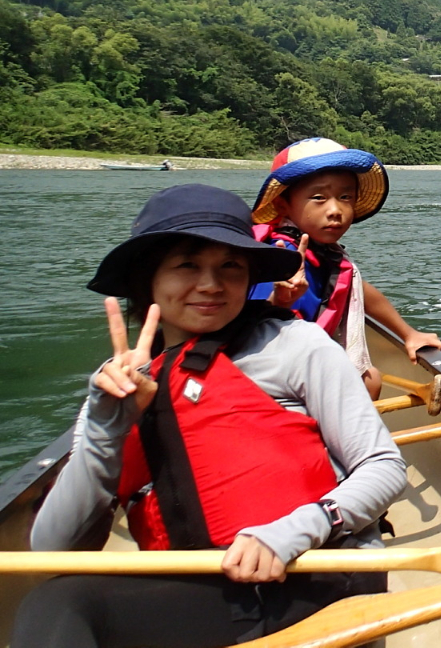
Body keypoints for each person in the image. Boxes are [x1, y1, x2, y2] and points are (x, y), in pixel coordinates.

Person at [13, 184, 407, 648]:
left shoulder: (295, 346)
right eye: (187, 266)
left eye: (231, 268)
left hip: (314, 573)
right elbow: (53, 550)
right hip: (202, 591)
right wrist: (105, 431)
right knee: (57, 603)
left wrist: (290, 533)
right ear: (149, 280)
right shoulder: (120, 383)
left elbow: (384, 467)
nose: (211, 285)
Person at [250, 138, 441, 399]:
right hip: (267, 378)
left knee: (370, 379)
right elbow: (254, 330)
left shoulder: (325, 253)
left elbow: (359, 289)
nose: (335, 210)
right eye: (318, 197)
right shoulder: (280, 255)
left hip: (301, 364)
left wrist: (409, 334)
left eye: (345, 197)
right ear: (283, 205)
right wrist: (280, 301)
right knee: (369, 380)